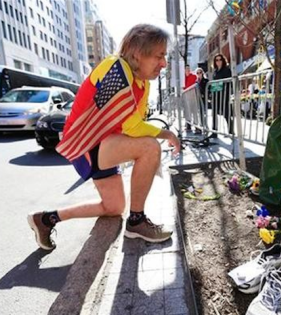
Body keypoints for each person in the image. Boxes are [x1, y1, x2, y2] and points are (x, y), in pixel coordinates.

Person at [27, 24, 181, 251]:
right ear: (138, 53)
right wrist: (166, 133)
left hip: (105, 144)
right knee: (149, 147)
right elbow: (132, 126)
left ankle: (46, 219)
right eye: (159, 56)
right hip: (87, 143)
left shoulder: (142, 83)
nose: (164, 63)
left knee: (114, 207)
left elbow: (131, 126)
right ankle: (136, 222)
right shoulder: (115, 68)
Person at [211, 53, 233, 137]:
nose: (218, 61)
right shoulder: (215, 72)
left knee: (226, 113)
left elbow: (228, 82)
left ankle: (231, 131)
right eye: (216, 60)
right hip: (216, 95)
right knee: (214, 114)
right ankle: (214, 131)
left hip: (224, 95)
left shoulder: (226, 69)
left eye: (220, 59)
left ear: (223, 60)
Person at [195, 67, 209, 134]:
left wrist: (205, 95)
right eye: (197, 73)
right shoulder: (196, 81)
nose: (199, 74)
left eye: (200, 72)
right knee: (200, 114)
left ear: (202, 73)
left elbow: (208, 89)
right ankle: (202, 127)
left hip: (204, 99)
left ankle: (206, 127)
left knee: (205, 113)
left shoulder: (206, 80)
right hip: (198, 100)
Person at [184, 64, 197, 131]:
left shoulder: (194, 76)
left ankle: (196, 125)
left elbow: (196, 83)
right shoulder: (183, 78)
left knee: (194, 110)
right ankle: (188, 125)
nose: (188, 70)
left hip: (193, 94)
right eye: (186, 69)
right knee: (187, 110)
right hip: (186, 95)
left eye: (189, 68)